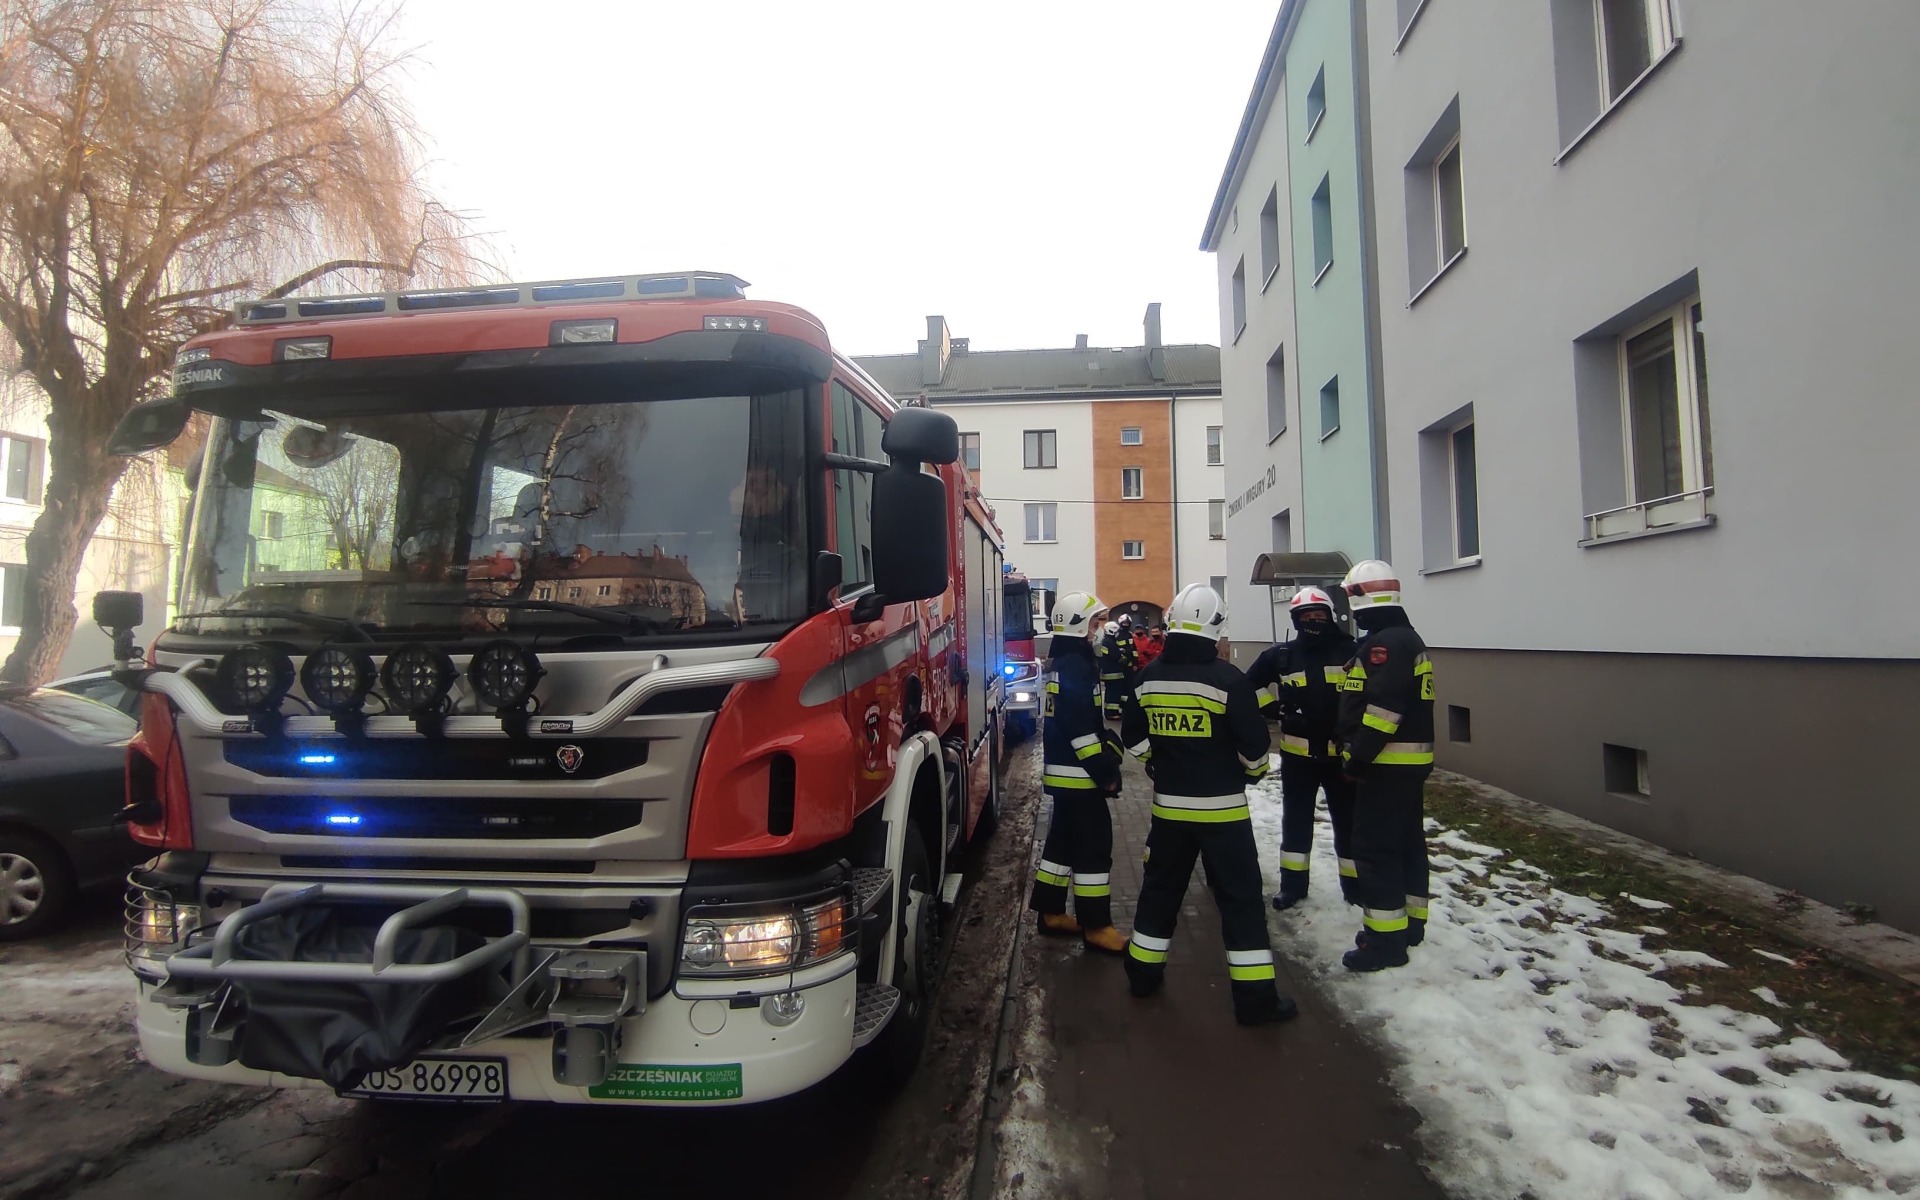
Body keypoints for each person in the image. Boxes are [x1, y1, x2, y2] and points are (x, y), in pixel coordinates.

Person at [1121, 583, 1296, 1025]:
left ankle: (1141, 975)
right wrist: (1252, 774)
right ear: (1216, 628)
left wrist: (1156, 766)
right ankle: (1255, 1001)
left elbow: (1133, 740)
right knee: (1240, 903)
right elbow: (1255, 749)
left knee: (1159, 892)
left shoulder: (1147, 678)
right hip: (1224, 815)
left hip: (1169, 813)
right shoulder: (1229, 680)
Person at [1334, 560, 1436, 972]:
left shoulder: (1386, 646)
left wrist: (1357, 757)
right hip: (1406, 764)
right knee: (1407, 844)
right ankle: (1409, 926)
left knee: (1374, 850)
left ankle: (1384, 942)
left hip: (1385, 764)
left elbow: (1383, 710)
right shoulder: (1405, 639)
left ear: (1361, 599)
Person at [1246, 587, 1360, 910]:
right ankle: (1292, 887)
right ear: (1296, 620)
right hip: (1298, 759)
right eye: (1306, 617)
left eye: (1319, 616)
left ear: (1330, 617)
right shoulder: (1280, 656)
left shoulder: (1350, 651)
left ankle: (1355, 888)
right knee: (1295, 824)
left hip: (1342, 759)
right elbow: (1245, 687)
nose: (1313, 622)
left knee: (1349, 824)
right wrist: (1274, 710)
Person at [1030, 590, 1129, 954]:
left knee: (1061, 844)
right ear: (1077, 626)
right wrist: (1105, 768)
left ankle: (1051, 912)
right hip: (1080, 775)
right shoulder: (1077, 667)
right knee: (1093, 847)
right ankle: (1096, 925)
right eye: (1094, 623)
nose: (1098, 629)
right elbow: (1079, 729)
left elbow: (1082, 722)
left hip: (1065, 775)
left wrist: (1109, 744)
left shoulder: (1068, 662)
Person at [1096, 617, 1135, 722]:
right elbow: (1117, 656)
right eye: (1117, 631)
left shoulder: (1107, 641)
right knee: (1113, 694)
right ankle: (1111, 713)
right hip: (1113, 673)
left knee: (1111, 693)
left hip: (1109, 672)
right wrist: (1126, 659)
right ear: (1112, 630)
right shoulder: (1109, 642)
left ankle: (1112, 712)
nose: (1118, 633)